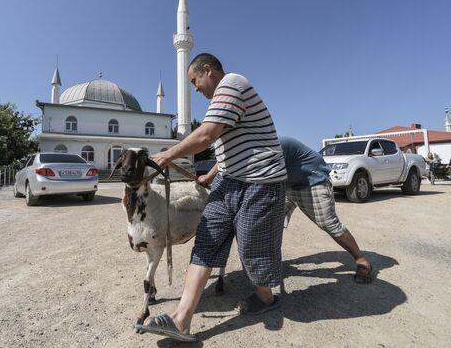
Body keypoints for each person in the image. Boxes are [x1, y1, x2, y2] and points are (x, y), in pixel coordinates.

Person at [137, 53, 287, 342]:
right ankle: (181, 320)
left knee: (251, 249)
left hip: (261, 181)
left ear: (208, 70)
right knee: (206, 239)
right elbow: (227, 145)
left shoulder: (232, 83)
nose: (195, 88)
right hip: (228, 181)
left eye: (195, 81)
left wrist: (168, 155)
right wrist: (212, 174)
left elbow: (205, 136)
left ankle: (267, 298)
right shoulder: (220, 104)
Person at [279, 136, 373, 283]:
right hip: (288, 185)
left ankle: (361, 260)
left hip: (312, 181)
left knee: (328, 223)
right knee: (272, 223)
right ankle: (271, 262)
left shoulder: (276, 144)